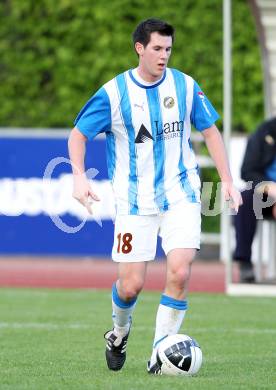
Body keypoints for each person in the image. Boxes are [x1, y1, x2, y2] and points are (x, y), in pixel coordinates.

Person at [68, 18, 241, 373]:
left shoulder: (185, 86)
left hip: (181, 194)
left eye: (168, 49)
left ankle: (158, 357)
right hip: (134, 202)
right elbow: (78, 136)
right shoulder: (115, 94)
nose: (164, 56)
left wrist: (226, 180)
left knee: (179, 271)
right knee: (131, 285)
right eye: (158, 49)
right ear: (140, 49)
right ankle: (118, 333)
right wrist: (79, 177)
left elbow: (210, 132)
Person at [233, 117, 276, 283]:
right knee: (245, 199)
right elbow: (248, 171)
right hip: (266, 193)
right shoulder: (264, 131)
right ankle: (244, 262)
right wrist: (269, 188)